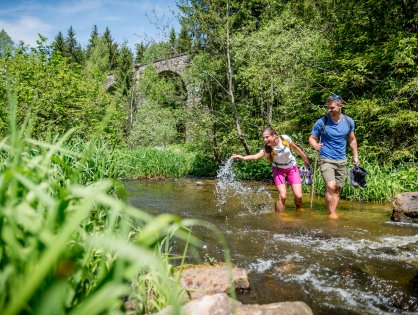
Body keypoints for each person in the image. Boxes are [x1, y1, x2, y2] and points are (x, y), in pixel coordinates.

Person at [231, 127, 310, 213]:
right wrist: (242, 157)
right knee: (283, 196)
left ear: (275, 136)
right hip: (278, 169)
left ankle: (298, 211)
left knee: (298, 196)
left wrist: (305, 158)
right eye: (263, 138)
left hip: (292, 167)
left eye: (267, 137)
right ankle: (280, 217)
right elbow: (255, 156)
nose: (265, 139)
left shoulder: (285, 139)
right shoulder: (266, 148)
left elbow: (295, 148)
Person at [309, 94, 359, 219]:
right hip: (326, 158)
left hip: (341, 159)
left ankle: (332, 212)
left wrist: (355, 156)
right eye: (328, 108)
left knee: (337, 189)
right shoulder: (322, 122)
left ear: (340, 106)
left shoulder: (348, 121)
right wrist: (315, 145)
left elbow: (352, 139)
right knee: (330, 186)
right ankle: (332, 214)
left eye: (331, 108)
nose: (329, 110)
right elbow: (311, 138)